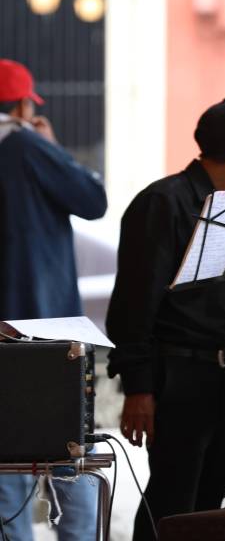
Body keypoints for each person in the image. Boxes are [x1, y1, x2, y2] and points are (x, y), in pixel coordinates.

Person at [105, 98, 225, 541]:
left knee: (213, 503)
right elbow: (133, 305)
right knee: (172, 502)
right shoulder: (163, 203)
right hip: (178, 375)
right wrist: (139, 387)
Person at [0, 59, 108, 541]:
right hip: (46, 330)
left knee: (6, 466)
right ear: (24, 106)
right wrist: (53, 147)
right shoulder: (27, 146)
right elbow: (92, 200)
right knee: (71, 458)